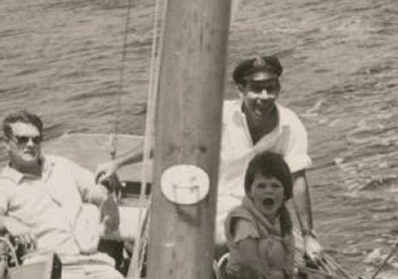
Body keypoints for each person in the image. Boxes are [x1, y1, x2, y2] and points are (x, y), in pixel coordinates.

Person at [94, 55, 322, 260]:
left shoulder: (290, 126)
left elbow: (298, 180)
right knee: (150, 239)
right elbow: (168, 141)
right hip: (205, 199)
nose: (264, 97)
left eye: (270, 89)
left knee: (220, 243)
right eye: (256, 89)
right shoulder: (217, 116)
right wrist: (117, 163)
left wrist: (308, 235)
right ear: (240, 90)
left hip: (253, 209)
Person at [0, 111, 122, 279]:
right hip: (47, 268)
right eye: (22, 139)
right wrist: (8, 222)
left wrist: (107, 203)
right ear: (7, 143)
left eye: (36, 139)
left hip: (95, 261)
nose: (30, 144)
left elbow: (96, 186)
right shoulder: (2, 184)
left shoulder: (60, 166)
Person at [224, 151, 295, 279]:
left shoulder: (283, 219)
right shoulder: (242, 217)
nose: (268, 191)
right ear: (250, 191)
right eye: (261, 186)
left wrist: (286, 275)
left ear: (285, 193)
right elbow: (251, 260)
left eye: (275, 186)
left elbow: (290, 256)